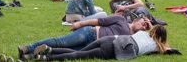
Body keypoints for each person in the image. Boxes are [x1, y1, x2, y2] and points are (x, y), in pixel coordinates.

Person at [18, 15, 152, 59]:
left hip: (94, 45)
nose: (144, 26)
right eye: (144, 22)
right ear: (136, 20)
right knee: (60, 42)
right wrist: (79, 23)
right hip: (90, 33)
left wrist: (151, 27)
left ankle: (30, 56)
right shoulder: (121, 19)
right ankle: (26, 48)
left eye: (146, 27)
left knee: (71, 52)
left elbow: (153, 37)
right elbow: (99, 21)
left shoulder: (134, 39)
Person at [30, 25, 175, 61]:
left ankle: (48, 49)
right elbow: (168, 49)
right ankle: (46, 58)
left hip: (111, 39)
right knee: (77, 55)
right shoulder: (156, 46)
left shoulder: (142, 33)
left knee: (79, 52)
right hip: (117, 48)